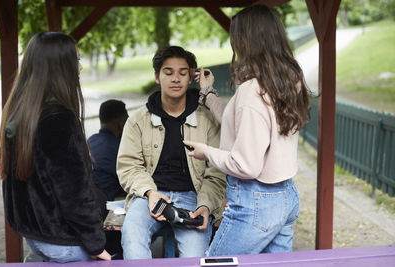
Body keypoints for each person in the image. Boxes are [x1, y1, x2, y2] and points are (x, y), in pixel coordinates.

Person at [184, 5, 311, 256]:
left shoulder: (251, 92)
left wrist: (207, 152)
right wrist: (208, 94)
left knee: (215, 263)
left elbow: (246, 165)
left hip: (256, 202)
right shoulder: (286, 81)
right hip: (286, 196)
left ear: (246, 41)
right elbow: (240, 122)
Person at [0, 32, 111, 263]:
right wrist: (97, 246)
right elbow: (74, 193)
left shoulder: (20, 112)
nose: (79, 68)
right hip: (65, 244)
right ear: (60, 67)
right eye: (75, 61)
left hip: (35, 237)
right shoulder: (59, 119)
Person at [116, 46, 226, 259]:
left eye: (182, 73)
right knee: (132, 237)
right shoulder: (138, 119)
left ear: (191, 76)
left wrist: (206, 205)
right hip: (150, 195)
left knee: (196, 257)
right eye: (168, 72)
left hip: (194, 198)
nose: (176, 78)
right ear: (157, 77)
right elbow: (128, 166)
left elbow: (217, 172)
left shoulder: (208, 120)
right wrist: (149, 192)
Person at [88, 99, 128, 201]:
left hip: (87, 199)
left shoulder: (90, 140)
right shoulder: (119, 148)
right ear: (120, 124)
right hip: (105, 204)